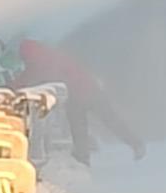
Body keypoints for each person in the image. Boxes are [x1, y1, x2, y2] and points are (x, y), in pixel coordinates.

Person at [13, 32, 144, 165]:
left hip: (78, 96)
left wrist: (10, 88)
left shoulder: (42, 63)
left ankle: (83, 158)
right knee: (108, 121)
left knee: (80, 127)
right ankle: (135, 144)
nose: (24, 59)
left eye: (24, 57)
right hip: (90, 90)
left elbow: (29, 77)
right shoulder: (52, 56)